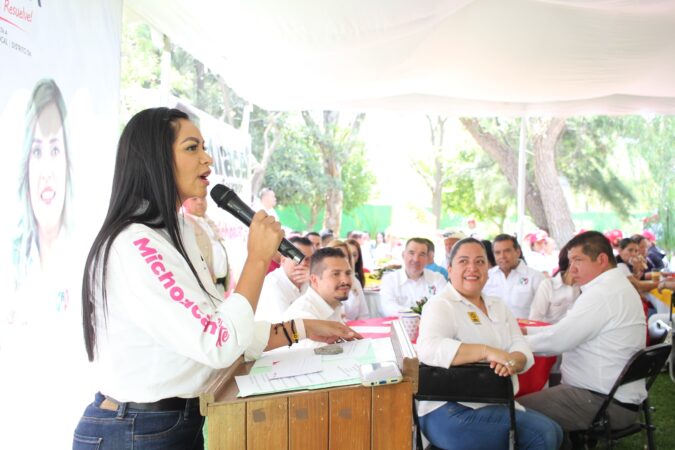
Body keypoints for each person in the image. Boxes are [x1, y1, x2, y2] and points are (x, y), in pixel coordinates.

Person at [73, 108, 359, 449]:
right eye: (192, 148)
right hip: (139, 429)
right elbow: (219, 343)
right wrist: (257, 258)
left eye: (204, 147)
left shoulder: (176, 231)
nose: (207, 158)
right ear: (154, 158)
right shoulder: (136, 243)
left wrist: (300, 328)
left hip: (171, 422)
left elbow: (218, 327)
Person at [416, 238, 563, 450]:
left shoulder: (497, 305)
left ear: (488, 268)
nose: (472, 268)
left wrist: (514, 361)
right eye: (463, 261)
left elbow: (519, 344)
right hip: (449, 408)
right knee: (543, 435)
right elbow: (429, 349)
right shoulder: (440, 305)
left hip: (494, 402)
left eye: (480, 262)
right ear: (449, 268)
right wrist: (487, 352)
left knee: (556, 431)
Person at [518, 231, 647, 434]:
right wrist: (525, 330)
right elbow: (565, 330)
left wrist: (510, 342)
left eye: (578, 260)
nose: (572, 269)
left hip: (602, 402)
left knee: (509, 412)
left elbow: (557, 341)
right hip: (613, 398)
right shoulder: (613, 285)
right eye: (570, 262)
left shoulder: (602, 293)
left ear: (602, 259)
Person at [12, 79, 73, 321]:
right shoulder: (9, 260)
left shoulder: (86, 253)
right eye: (37, 152)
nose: (46, 171)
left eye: (55, 150)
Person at [283, 247, 352, 328]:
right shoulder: (303, 316)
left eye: (348, 273)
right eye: (336, 274)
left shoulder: (332, 306)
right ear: (315, 280)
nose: (345, 280)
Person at [379, 237, 447, 317]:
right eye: (411, 253)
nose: (416, 259)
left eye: (422, 254)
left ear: (427, 259)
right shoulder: (389, 279)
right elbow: (388, 309)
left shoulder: (438, 279)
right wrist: (418, 314)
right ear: (403, 255)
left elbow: (444, 306)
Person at [483, 234, 544, 319]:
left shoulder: (536, 277)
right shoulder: (486, 276)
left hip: (525, 331)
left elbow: (543, 313)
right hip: (493, 330)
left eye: (507, 251)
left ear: (518, 252)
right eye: (497, 252)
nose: (502, 256)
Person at [254, 236, 315, 323]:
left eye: (308, 259)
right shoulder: (272, 285)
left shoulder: (309, 282)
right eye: (298, 258)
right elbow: (287, 326)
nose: (303, 263)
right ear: (283, 260)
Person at [182, 196, 231, 296]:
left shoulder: (208, 221)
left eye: (203, 198)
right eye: (194, 199)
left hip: (219, 286)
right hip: (203, 289)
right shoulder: (183, 223)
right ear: (184, 202)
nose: (200, 202)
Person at [529, 245, 579, 324]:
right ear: (571, 263)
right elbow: (535, 319)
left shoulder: (586, 286)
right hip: (549, 333)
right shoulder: (548, 285)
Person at [327, 240, 369, 320]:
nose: (339, 260)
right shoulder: (321, 284)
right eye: (334, 256)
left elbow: (364, 315)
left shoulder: (355, 282)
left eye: (343, 256)